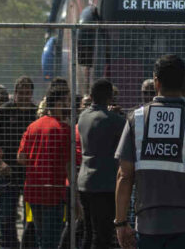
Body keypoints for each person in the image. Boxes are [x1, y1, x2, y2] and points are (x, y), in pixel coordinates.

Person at [116, 56, 185, 249]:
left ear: (156, 82)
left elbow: (124, 176)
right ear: (184, 81)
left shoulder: (136, 119)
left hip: (149, 224)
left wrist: (121, 222)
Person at [17, 78, 72, 249]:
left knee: (41, 237)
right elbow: (69, 166)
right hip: (53, 193)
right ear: (59, 103)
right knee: (51, 240)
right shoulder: (64, 129)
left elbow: (21, 157)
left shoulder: (33, 126)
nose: (70, 105)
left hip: (33, 191)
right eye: (67, 101)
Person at [76, 78, 126, 249]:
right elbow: (126, 128)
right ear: (110, 97)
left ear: (91, 95)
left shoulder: (82, 116)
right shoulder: (113, 120)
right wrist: (117, 114)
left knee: (88, 232)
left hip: (84, 181)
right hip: (104, 184)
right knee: (103, 235)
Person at [0, 76, 37, 249]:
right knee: (6, 217)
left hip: (30, 174)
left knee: (30, 217)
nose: (24, 96)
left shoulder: (36, 113)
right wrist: (0, 163)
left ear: (32, 94)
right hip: (7, 172)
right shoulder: (3, 112)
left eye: (27, 93)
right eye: (21, 92)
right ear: (15, 93)